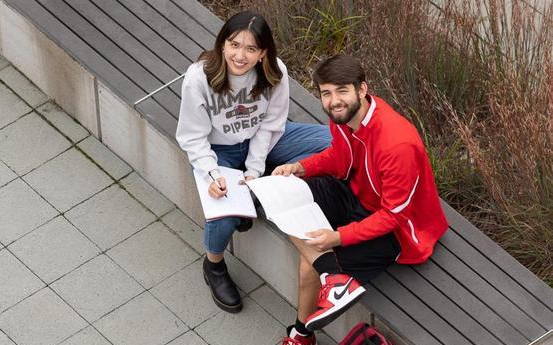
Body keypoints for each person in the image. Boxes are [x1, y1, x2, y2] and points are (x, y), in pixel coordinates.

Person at [272, 55, 448, 344]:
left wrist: (338, 237)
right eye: (326, 93)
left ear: (362, 90)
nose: (333, 100)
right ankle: (333, 279)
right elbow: (339, 158)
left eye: (342, 91)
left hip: (396, 232)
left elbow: (393, 216)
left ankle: (302, 334)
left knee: (310, 264)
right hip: (355, 192)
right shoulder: (343, 118)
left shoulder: (396, 143)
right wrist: (301, 168)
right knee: (285, 194)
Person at [175, 11, 331, 314]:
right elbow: (192, 136)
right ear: (222, 44)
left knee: (331, 141)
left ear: (262, 53)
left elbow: (272, 125)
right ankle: (214, 265)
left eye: (250, 49)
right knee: (224, 214)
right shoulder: (199, 77)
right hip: (219, 149)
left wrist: (256, 169)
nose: (240, 55)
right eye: (234, 44)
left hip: (264, 141)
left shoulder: (275, 72)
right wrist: (211, 173)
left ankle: (259, 192)